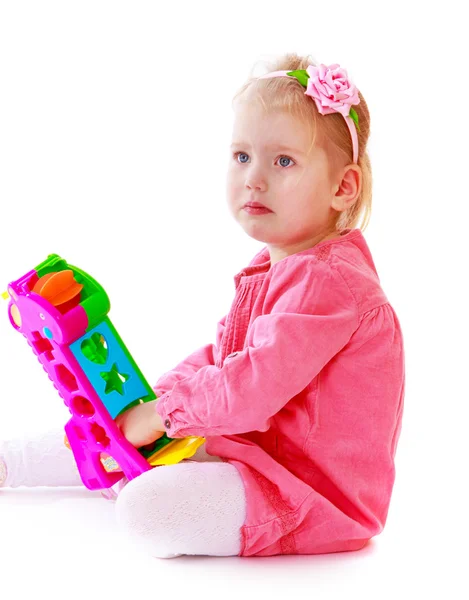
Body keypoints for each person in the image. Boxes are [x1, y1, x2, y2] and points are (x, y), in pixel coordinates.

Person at [0, 53, 405, 559]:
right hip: (254, 454)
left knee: (146, 508)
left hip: (308, 496)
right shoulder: (277, 267)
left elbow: (252, 385)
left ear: (343, 187)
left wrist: (164, 416)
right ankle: (12, 462)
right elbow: (224, 357)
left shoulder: (330, 285)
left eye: (283, 162)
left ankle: (128, 482)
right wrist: (153, 401)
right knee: (102, 429)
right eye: (242, 156)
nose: (254, 178)